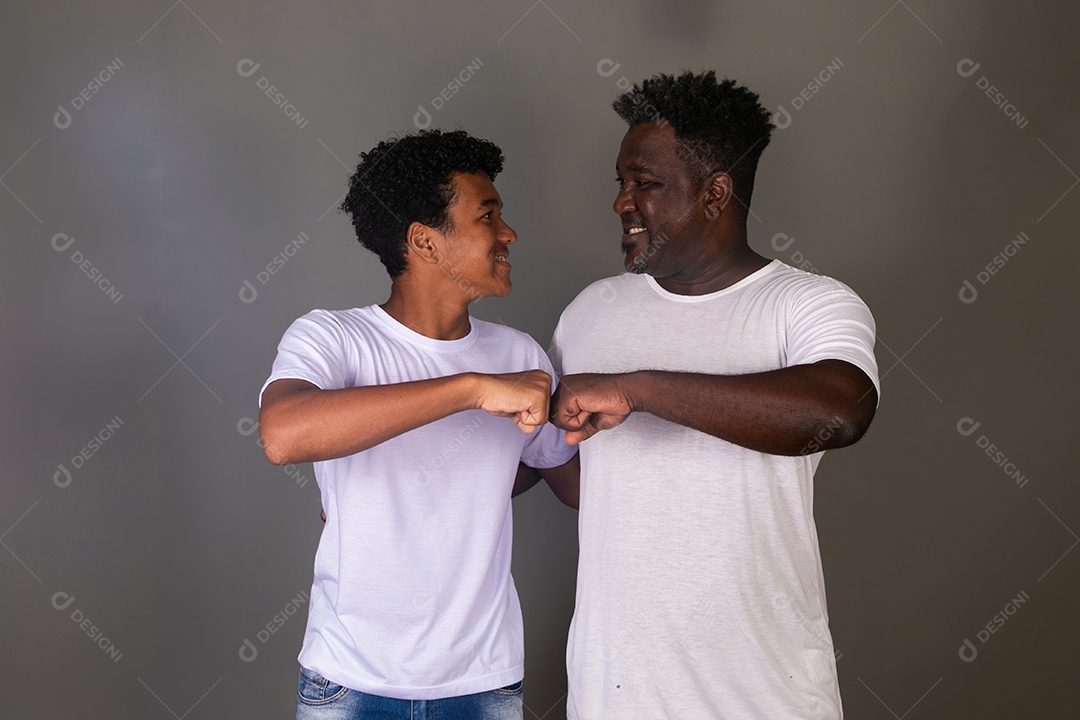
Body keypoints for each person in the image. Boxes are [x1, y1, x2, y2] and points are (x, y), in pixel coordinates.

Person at [549, 71, 880, 719]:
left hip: (764, 697)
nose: (621, 202)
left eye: (644, 184)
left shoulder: (808, 305)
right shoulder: (589, 313)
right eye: (620, 182)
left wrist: (637, 389)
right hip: (614, 699)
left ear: (714, 193)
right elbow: (577, 474)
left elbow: (838, 411)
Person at [258, 129, 578, 720]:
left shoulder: (520, 357)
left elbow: (571, 480)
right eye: (488, 216)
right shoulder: (332, 337)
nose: (509, 234)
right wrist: (471, 389)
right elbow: (284, 435)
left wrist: (622, 401)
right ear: (424, 242)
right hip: (349, 683)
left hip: (483, 684)